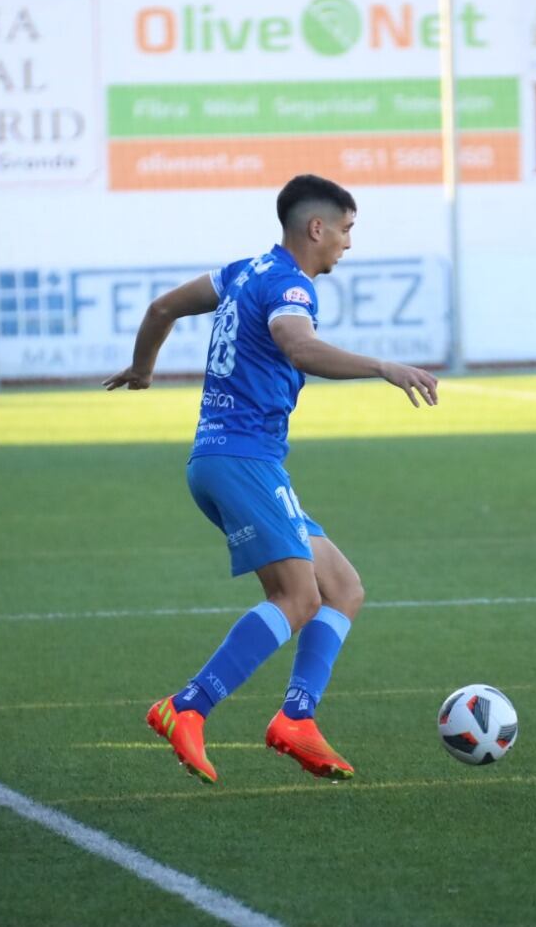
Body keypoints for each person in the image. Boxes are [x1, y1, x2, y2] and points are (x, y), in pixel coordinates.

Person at [105, 174, 438, 785]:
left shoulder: (241, 271)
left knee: (341, 589)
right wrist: (383, 366)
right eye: (346, 229)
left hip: (226, 460)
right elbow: (300, 347)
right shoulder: (289, 285)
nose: (347, 243)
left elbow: (162, 308)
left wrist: (143, 369)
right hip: (243, 461)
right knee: (297, 598)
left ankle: (297, 720)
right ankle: (186, 706)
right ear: (317, 228)